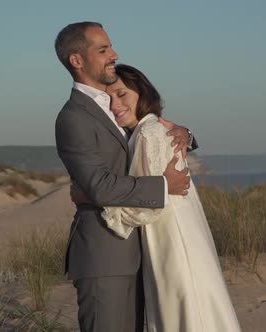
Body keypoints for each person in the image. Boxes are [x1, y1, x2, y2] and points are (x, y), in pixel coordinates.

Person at [54, 22, 197, 331]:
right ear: (77, 60)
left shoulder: (114, 104)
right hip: (103, 255)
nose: (114, 54)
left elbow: (152, 132)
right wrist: (164, 185)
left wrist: (185, 133)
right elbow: (100, 186)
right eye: (103, 49)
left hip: (139, 253)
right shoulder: (73, 117)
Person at [100, 64, 242, 331]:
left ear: (142, 93)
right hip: (172, 233)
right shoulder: (144, 131)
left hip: (171, 237)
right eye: (107, 99)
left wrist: (105, 207)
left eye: (121, 95)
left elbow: (148, 206)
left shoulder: (148, 132)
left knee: (183, 310)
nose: (114, 105)